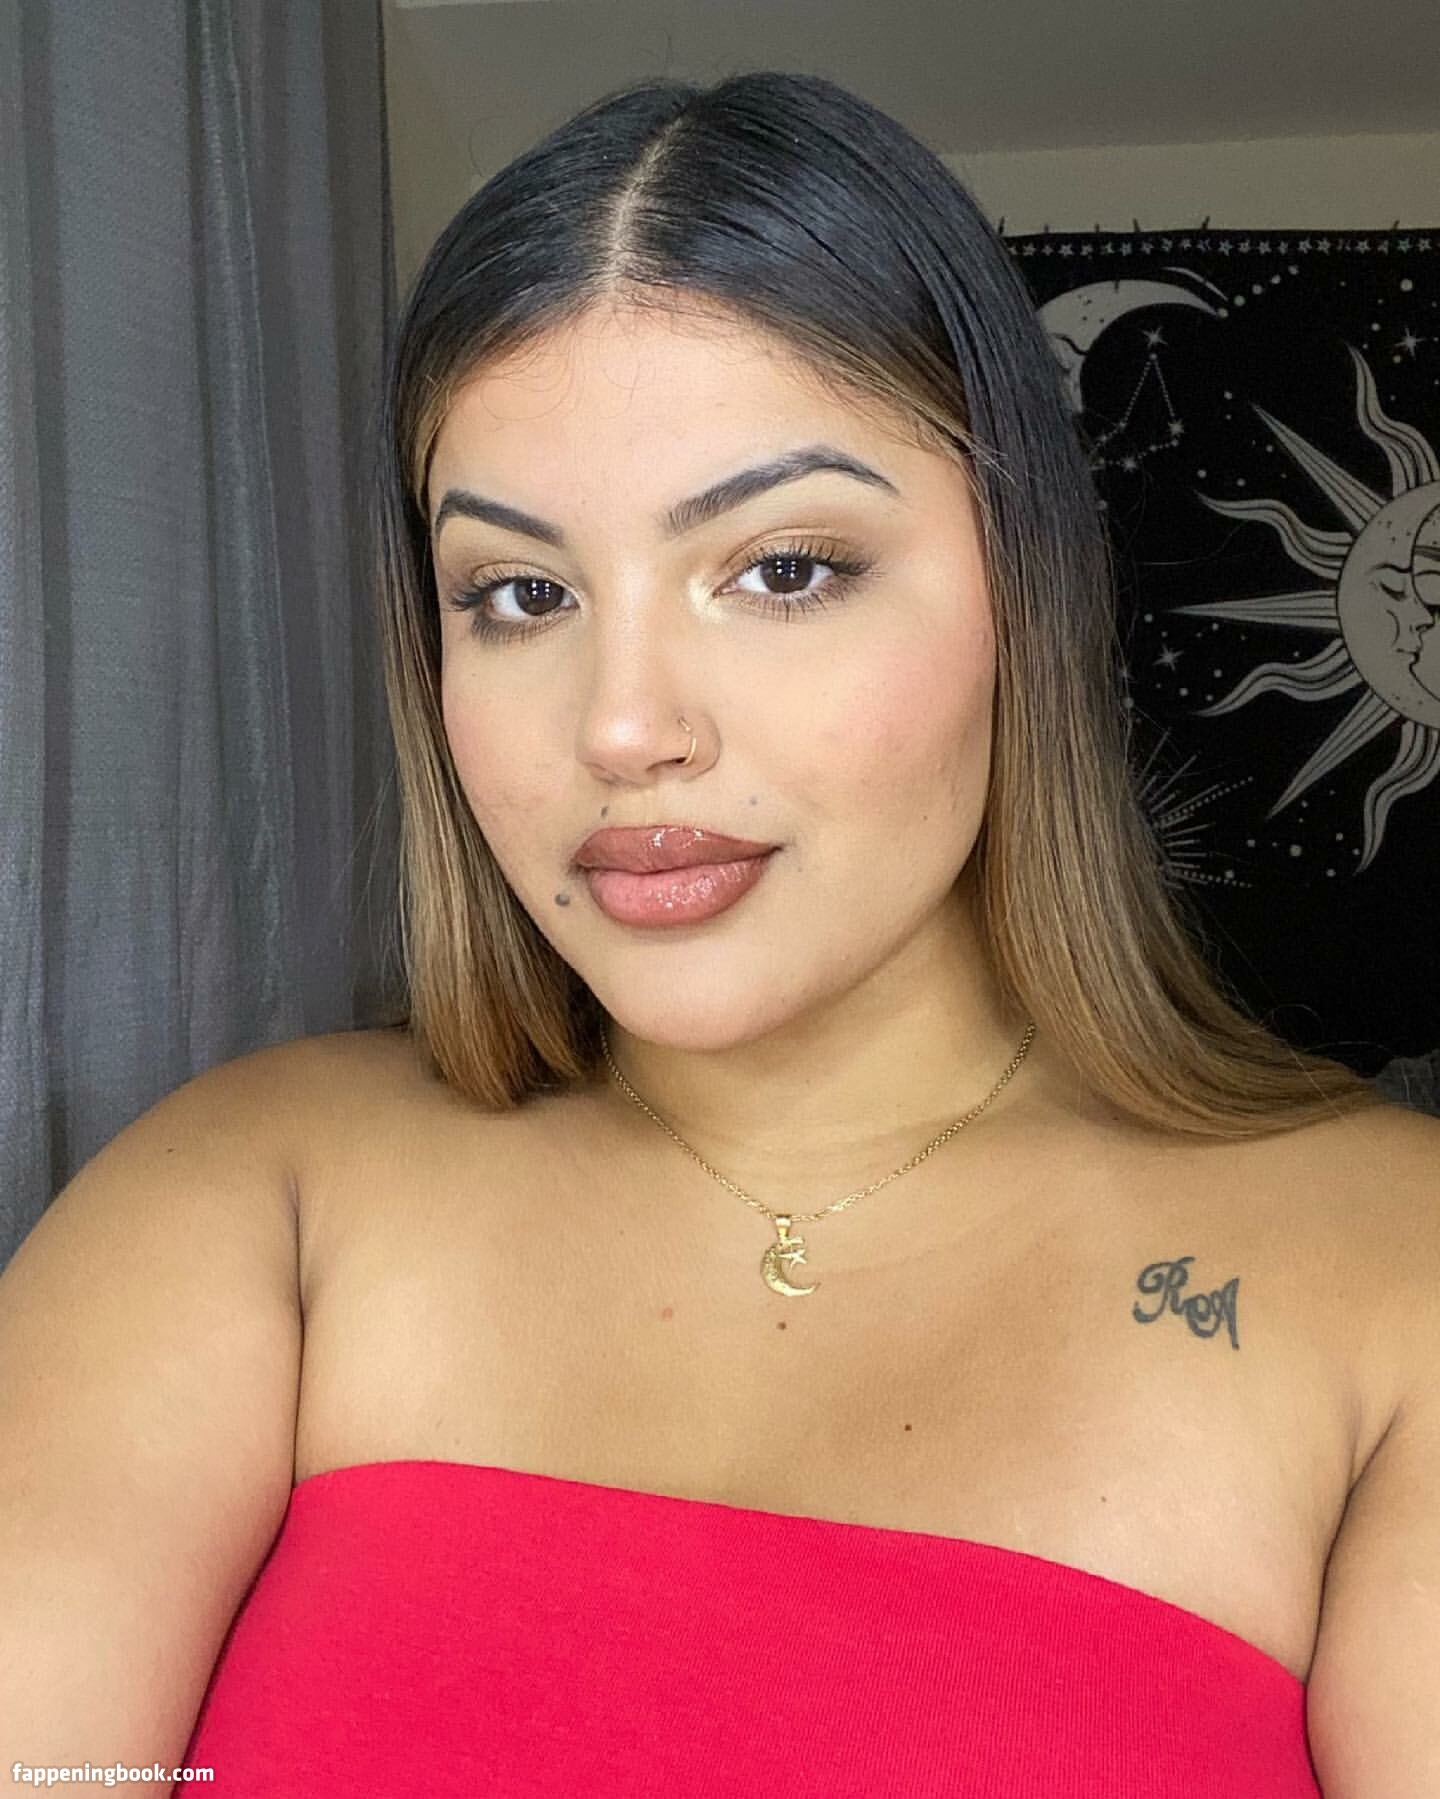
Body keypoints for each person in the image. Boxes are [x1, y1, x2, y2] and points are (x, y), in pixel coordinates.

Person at [3, 69, 1437, 1799]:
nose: (623, 728)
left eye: (783, 569)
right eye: (521, 593)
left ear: (1025, 589)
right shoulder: (255, 1195)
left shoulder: (1396, 1277)